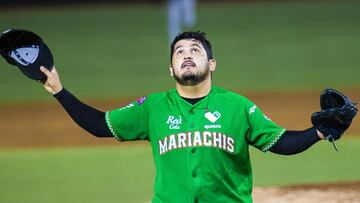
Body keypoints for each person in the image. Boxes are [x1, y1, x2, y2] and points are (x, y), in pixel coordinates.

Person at [39, 31, 347, 203]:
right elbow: (99, 125)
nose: (187, 54)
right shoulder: (154, 107)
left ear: (212, 64)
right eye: (179, 51)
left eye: (196, 50)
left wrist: (318, 133)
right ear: (171, 69)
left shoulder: (238, 106)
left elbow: (280, 141)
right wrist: (59, 91)